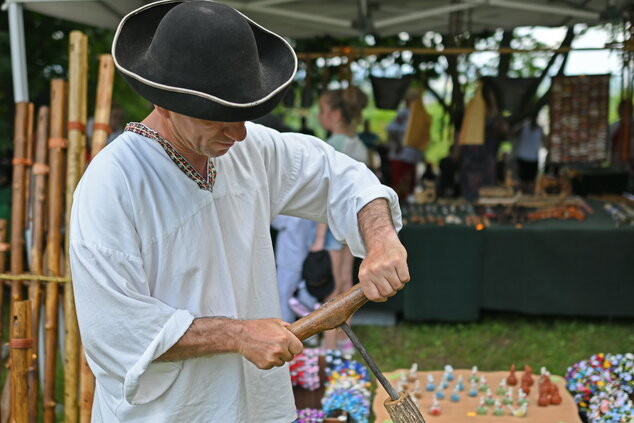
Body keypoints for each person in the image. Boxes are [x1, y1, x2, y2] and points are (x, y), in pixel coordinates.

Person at [68, 2, 409, 422]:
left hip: (259, 407)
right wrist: (238, 334)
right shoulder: (112, 185)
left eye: (244, 113)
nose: (239, 132)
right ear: (167, 102)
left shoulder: (247, 150)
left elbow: (339, 176)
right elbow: (115, 328)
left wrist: (380, 239)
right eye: (219, 117)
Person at [315, 86, 370, 353]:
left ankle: (328, 348)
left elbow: (327, 195)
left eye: (322, 111)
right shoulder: (359, 144)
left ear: (336, 114)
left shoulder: (332, 145)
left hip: (333, 225)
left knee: (332, 285)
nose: (318, 116)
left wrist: (317, 237)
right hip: (353, 226)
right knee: (347, 283)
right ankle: (343, 343)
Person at [386, 89, 425, 203]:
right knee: (399, 183)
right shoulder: (404, 114)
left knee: (410, 184)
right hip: (401, 155)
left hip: (411, 156)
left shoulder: (417, 116)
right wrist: (398, 145)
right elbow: (391, 130)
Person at [514, 114, 543, 193]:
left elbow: (544, 140)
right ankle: (522, 194)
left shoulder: (539, 129)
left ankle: (528, 195)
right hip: (523, 157)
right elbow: (514, 133)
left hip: (533, 158)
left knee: (531, 181)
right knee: (522, 180)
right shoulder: (523, 126)